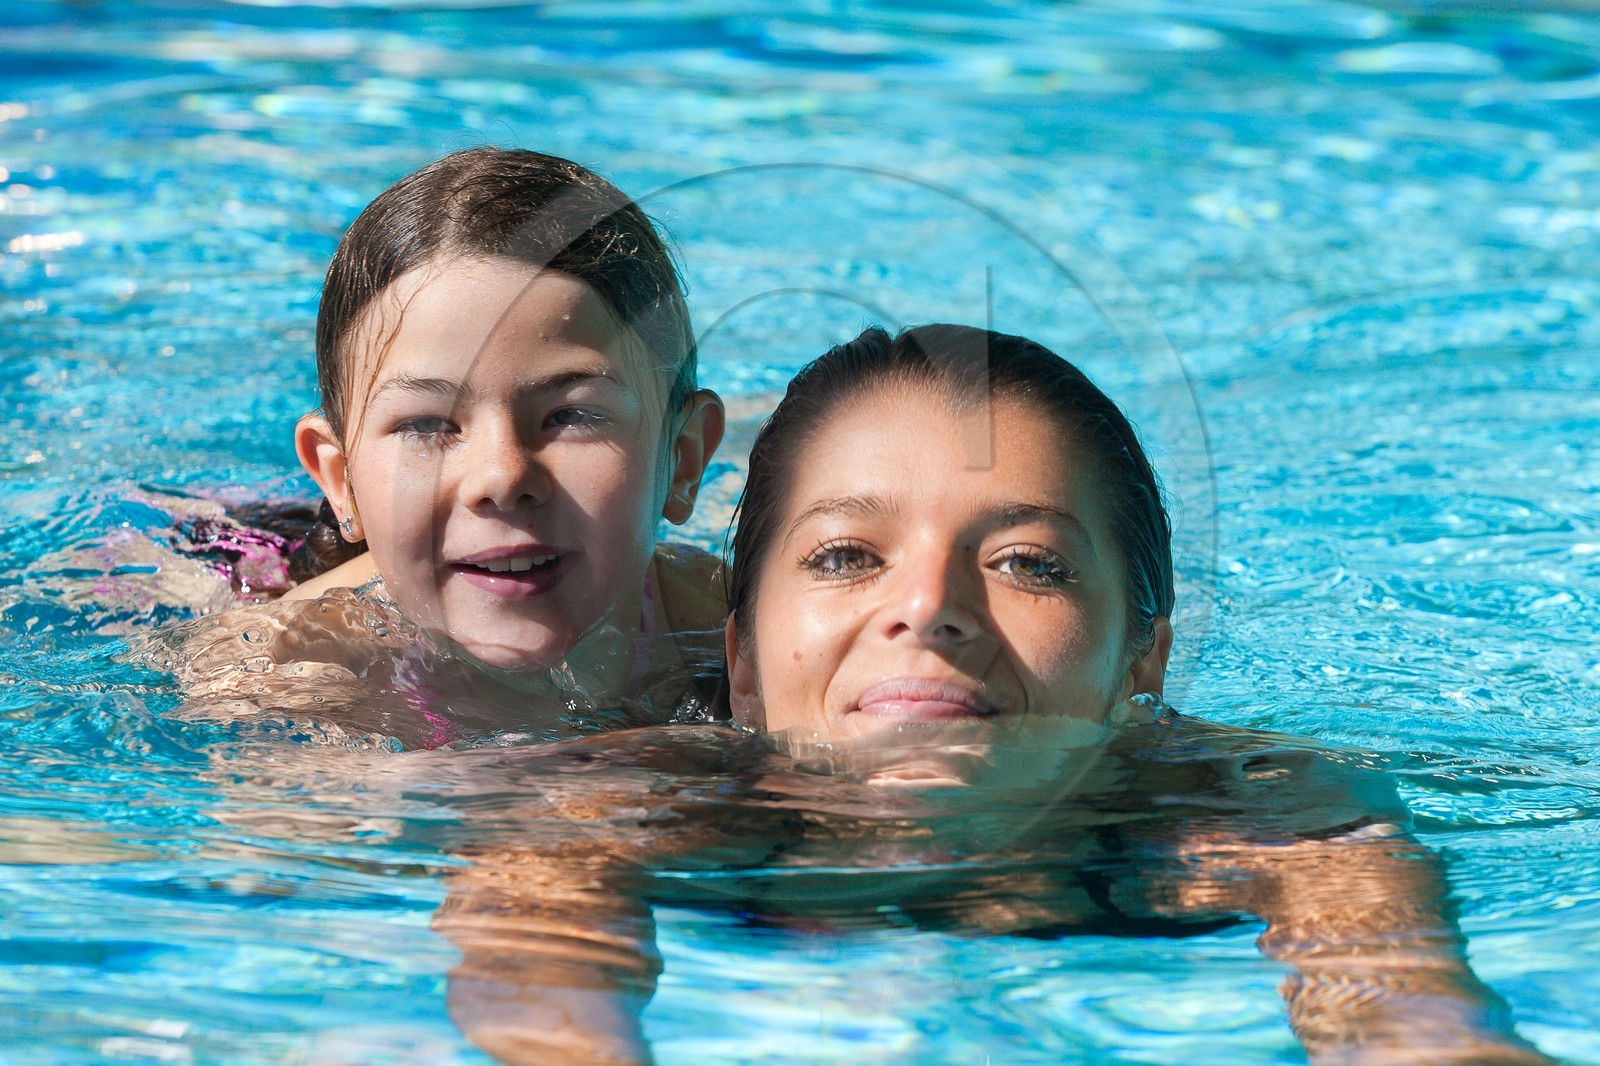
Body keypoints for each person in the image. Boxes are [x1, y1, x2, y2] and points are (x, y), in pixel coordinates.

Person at [425, 325, 1552, 1064]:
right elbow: (538, 993)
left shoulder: (1261, 812)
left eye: (1028, 561)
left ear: (1140, 663)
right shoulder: (620, 801)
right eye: (845, 555)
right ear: (747, 659)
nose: (928, 605)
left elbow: (1417, 1023)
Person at [170, 147, 728, 743]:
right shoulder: (283, 671)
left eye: (571, 415)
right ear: (341, 479)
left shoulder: (732, 626)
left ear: (684, 459)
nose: (502, 477)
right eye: (427, 425)